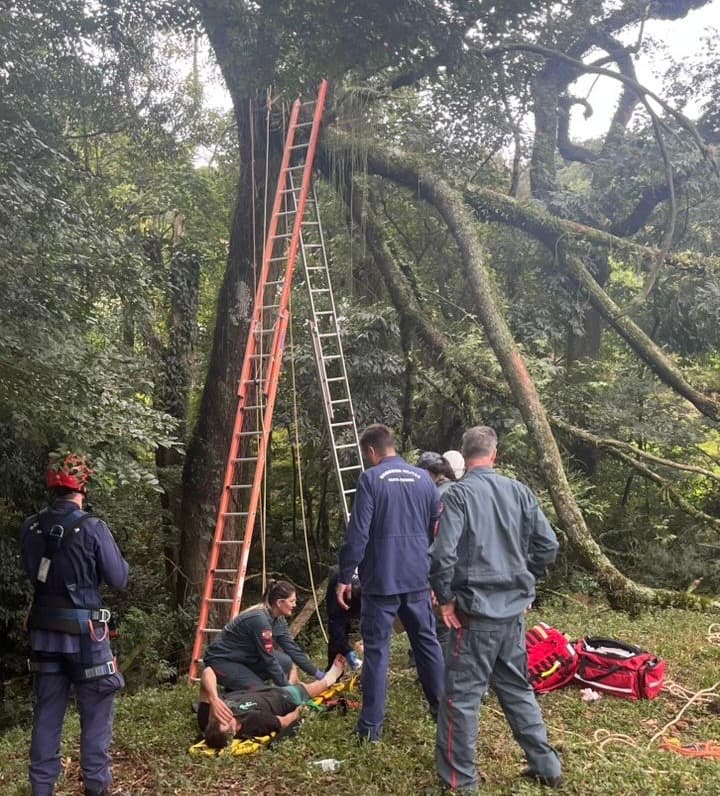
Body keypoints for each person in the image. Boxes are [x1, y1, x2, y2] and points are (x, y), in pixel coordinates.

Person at [430, 426, 562, 793]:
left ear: (463, 455)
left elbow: (442, 556)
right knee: (517, 689)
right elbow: (548, 545)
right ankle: (547, 766)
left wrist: (445, 600)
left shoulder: (458, 495)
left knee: (460, 701)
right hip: (512, 617)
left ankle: (459, 783)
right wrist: (526, 581)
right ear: (495, 454)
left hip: (475, 618)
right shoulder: (519, 492)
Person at [20, 453, 129, 796]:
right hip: (87, 638)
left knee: (47, 712)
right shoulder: (92, 527)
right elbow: (119, 578)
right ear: (83, 485)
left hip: (44, 634)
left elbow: (30, 572)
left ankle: (41, 789)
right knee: (96, 710)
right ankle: (97, 787)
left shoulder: (30, 527)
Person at [336, 424, 445, 741]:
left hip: (381, 580)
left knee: (377, 653)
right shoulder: (425, 479)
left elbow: (358, 535)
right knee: (426, 644)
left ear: (371, 451)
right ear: (392, 446)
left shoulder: (371, 479)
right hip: (417, 578)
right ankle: (442, 712)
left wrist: (345, 576)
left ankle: (370, 729)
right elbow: (435, 532)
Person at [198, 655, 347, 748]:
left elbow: (208, 671)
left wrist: (214, 699)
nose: (227, 718)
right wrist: (300, 711)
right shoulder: (253, 722)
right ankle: (330, 678)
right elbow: (285, 721)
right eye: (231, 730)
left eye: (223, 720)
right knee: (302, 690)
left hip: (255, 690)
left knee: (280, 670)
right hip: (282, 698)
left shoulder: (208, 717)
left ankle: (292, 679)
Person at [203, 579, 325, 690]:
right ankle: (218, 702)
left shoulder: (278, 619)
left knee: (285, 661)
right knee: (260, 690)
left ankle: (237, 687)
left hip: (243, 658)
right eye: (292, 601)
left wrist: (317, 673)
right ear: (280, 602)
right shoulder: (260, 620)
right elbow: (269, 658)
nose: (295, 605)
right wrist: (287, 689)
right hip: (221, 661)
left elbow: (292, 649)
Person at [326, 566, 362, 671]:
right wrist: (347, 650)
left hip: (363, 589)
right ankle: (332, 674)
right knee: (338, 637)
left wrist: (363, 639)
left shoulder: (372, 585)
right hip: (339, 592)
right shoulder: (336, 588)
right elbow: (335, 624)